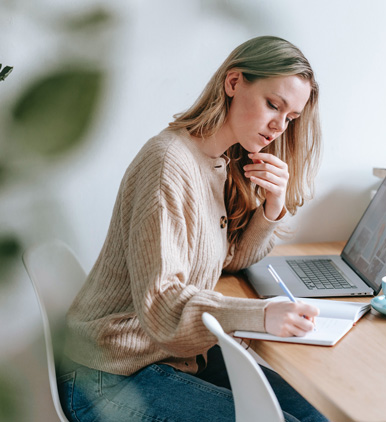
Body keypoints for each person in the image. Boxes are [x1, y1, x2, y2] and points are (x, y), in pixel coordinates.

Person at [58, 35, 327, 422]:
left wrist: (272, 208)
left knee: (316, 417)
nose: (278, 126)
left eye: (290, 118)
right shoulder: (168, 162)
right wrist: (261, 315)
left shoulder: (216, 162)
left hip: (171, 357)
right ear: (233, 83)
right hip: (108, 375)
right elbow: (162, 304)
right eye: (273, 105)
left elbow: (229, 261)